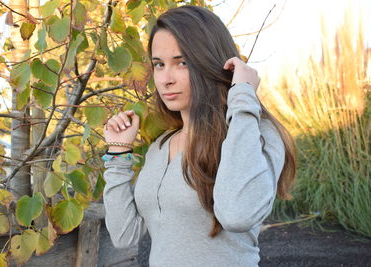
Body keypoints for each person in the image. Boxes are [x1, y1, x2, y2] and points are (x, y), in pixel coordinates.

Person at [102, 5, 296, 267]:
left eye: (182, 63)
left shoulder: (255, 134)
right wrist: (118, 154)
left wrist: (242, 95)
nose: (166, 79)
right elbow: (125, 236)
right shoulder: (161, 146)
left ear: (209, 61)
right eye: (159, 65)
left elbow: (236, 215)